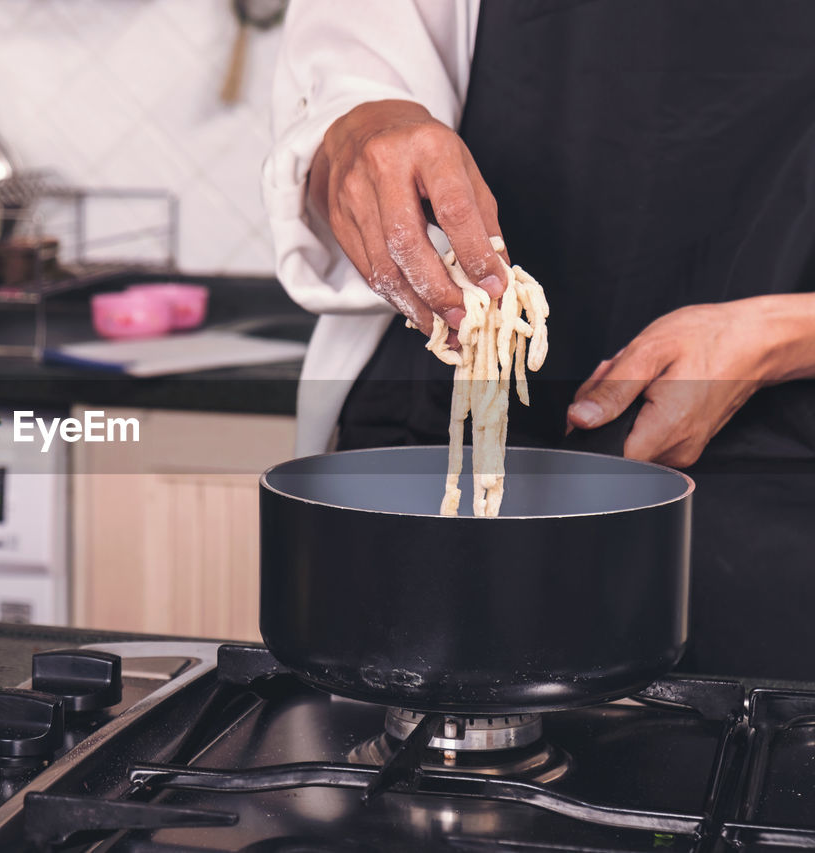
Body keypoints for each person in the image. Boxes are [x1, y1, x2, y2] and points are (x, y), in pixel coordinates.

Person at [262, 0, 815, 680]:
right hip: (430, 451)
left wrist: (785, 334)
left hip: (776, 507)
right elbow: (345, 85)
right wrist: (364, 135)